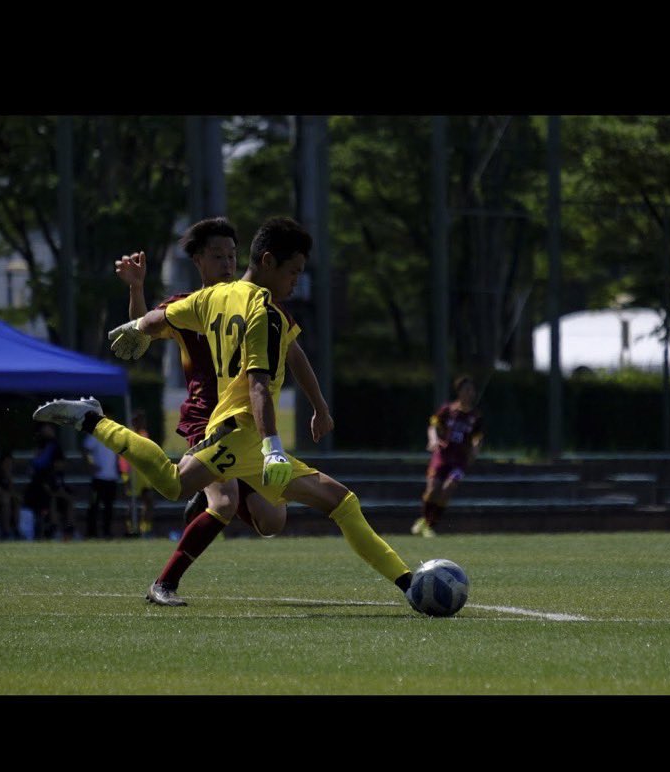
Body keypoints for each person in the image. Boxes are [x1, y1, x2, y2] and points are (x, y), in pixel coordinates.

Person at [34, 215, 420, 610]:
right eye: (293, 272)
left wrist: (135, 324)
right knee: (179, 486)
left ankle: (412, 586)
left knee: (311, 511)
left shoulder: (213, 300)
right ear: (266, 262)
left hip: (251, 434)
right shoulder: (260, 311)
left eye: (231, 254)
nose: (296, 282)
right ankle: (94, 420)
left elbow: (153, 322)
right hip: (233, 429)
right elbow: (257, 386)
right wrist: (273, 446)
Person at [113, 217, 333, 603]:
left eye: (232, 255)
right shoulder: (185, 307)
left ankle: (205, 495)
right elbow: (139, 335)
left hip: (248, 427)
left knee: (272, 521)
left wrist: (319, 406)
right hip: (207, 420)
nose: (227, 263)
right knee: (226, 503)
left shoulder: (256, 304)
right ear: (197, 260)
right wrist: (136, 288)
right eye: (217, 256)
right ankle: (164, 585)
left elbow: (294, 355)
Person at [412, 376, 484, 537]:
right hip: (442, 456)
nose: (469, 393)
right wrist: (433, 440)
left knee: (448, 489)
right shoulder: (447, 410)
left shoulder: (475, 416)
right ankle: (423, 519)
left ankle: (430, 525)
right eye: (466, 389)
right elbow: (433, 426)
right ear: (459, 391)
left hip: (459, 460)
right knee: (432, 489)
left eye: (471, 390)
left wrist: (475, 449)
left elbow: (477, 437)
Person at [24, 424, 73, 539]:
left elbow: (59, 484)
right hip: (40, 492)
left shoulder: (55, 448)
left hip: (52, 488)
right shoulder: (42, 450)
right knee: (52, 499)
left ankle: (70, 529)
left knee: (68, 499)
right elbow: (41, 481)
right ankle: (54, 528)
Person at [117, 410, 157, 536]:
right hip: (131, 473)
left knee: (149, 500)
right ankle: (130, 530)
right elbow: (123, 457)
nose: (142, 422)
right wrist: (126, 475)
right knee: (131, 504)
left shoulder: (144, 434)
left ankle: (145, 529)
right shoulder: (128, 435)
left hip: (143, 474)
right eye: (139, 419)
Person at [84, 429, 119, 538]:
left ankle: (107, 532)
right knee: (94, 506)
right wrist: (91, 464)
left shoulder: (115, 435)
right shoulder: (96, 435)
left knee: (109, 507)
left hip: (112, 478)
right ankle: (92, 532)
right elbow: (86, 450)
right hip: (98, 478)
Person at [0, 449, 20, 539]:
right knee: (6, 501)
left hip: (5, 499)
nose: (9, 464)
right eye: (7, 462)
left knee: (15, 501)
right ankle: (6, 531)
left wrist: (9, 478)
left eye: (10, 462)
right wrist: (10, 495)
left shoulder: (8, 474)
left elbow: (11, 490)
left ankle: (16, 529)